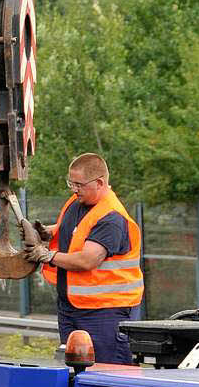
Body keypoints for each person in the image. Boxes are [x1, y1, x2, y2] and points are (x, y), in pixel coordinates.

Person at [22, 153, 143, 363]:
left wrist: (48, 255)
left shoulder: (111, 217)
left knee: (108, 373)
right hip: (72, 308)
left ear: (99, 183)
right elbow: (74, 232)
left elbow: (88, 259)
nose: (74, 189)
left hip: (105, 313)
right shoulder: (77, 202)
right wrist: (46, 233)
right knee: (77, 370)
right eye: (71, 183)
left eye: (79, 184)